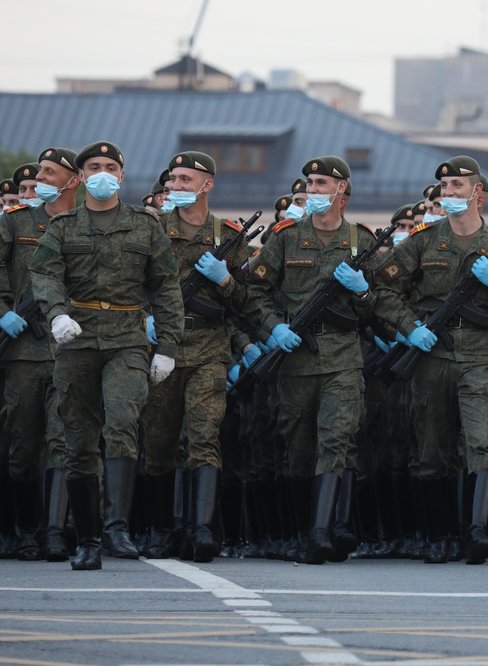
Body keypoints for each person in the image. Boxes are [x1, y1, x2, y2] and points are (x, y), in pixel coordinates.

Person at [28, 140, 184, 570]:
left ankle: (117, 526)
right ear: (81, 177)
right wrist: (57, 314)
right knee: (78, 438)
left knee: (121, 422)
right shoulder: (63, 227)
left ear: (121, 175)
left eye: (109, 166)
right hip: (75, 340)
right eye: (93, 166)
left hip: (126, 340)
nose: (102, 172)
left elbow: (166, 288)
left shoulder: (144, 225)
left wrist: (168, 346)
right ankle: (89, 538)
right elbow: (44, 275)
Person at [372, 155, 488, 565]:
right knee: (432, 449)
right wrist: (408, 326)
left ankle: (475, 531)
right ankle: (436, 535)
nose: (449, 193)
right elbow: (382, 290)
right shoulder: (422, 241)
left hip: (480, 355)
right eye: (445, 187)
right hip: (431, 354)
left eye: (458, 186)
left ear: (478, 193)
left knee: (482, 441)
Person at [246, 155, 376, 565]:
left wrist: (362, 293)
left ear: (341, 191)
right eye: (310, 183)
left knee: (335, 440)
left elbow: (381, 308)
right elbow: (253, 291)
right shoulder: (285, 238)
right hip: (295, 359)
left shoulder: (362, 241)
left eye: (321, 183)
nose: (313, 190)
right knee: (298, 448)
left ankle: (322, 532)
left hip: (341, 357)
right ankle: (303, 530)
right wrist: (273, 328)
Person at [140, 151, 253, 562]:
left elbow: (246, 301)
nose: (175, 187)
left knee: (204, 436)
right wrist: (144, 320)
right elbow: (126, 283)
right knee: (159, 441)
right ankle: (161, 529)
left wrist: (224, 280)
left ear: (206, 186)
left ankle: (201, 529)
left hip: (208, 349)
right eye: (172, 180)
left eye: (185, 180)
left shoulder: (228, 236)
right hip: (162, 347)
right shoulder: (148, 230)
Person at [0, 147, 79, 561]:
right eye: (40, 173)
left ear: (72, 180)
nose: (42, 179)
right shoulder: (14, 224)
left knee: (61, 441)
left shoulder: (85, 226)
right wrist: (3, 314)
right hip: (24, 354)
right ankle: (23, 528)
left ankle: (53, 532)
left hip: (69, 352)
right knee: (21, 446)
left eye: (51, 173)